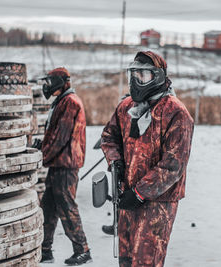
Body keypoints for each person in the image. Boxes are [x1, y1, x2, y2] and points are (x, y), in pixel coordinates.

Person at [101, 51, 194, 267]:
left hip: (158, 203)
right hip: (127, 197)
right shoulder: (126, 108)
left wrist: (140, 192)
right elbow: (109, 137)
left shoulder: (176, 113)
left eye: (143, 76)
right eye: (133, 75)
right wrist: (115, 162)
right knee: (125, 260)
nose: (136, 81)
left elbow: (173, 165)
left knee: (146, 262)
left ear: (158, 77)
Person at [39, 67, 92, 265]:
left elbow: (60, 138)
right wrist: (43, 147)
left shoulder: (70, 102)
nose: (48, 85)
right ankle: (45, 250)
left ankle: (82, 250)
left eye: (51, 81)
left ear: (61, 82)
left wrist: (42, 155)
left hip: (66, 165)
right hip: (58, 163)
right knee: (49, 207)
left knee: (67, 207)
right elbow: (53, 135)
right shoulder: (62, 101)